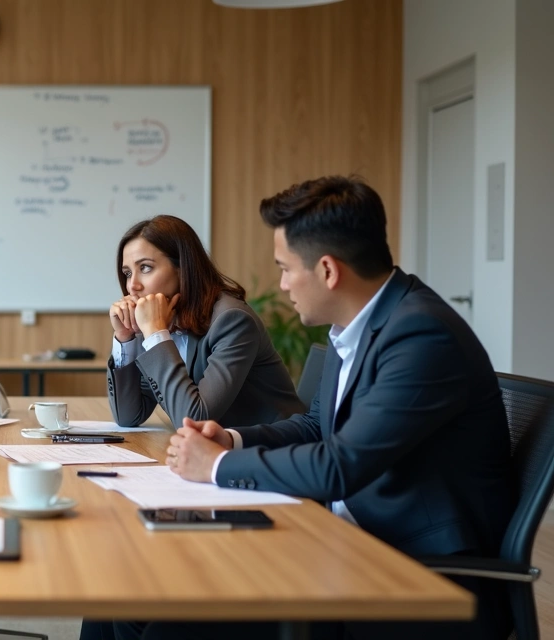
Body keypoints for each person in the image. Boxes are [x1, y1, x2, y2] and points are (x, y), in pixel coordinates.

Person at [94, 177, 517, 640]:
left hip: (405, 567)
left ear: (328, 271)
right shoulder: (356, 326)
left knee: (163, 627)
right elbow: (318, 426)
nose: (280, 283)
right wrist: (231, 438)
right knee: (120, 597)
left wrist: (220, 464)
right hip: (337, 536)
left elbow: (341, 465)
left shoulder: (420, 336)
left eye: (285, 268)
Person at [107, 215, 305, 428]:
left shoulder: (232, 321)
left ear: (183, 267)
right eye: (127, 273)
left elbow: (195, 419)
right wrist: (125, 337)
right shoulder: (164, 320)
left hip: (270, 451)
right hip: (215, 449)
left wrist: (156, 335)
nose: (132, 285)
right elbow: (129, 416)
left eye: (145, 268)